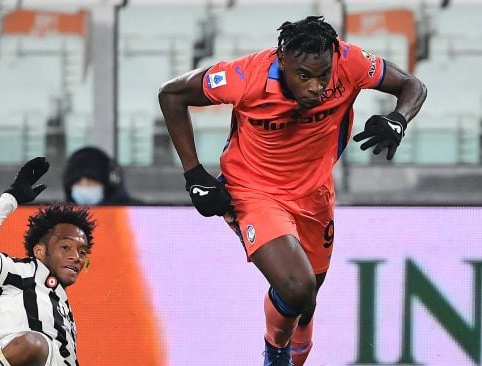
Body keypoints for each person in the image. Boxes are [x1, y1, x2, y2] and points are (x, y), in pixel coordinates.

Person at [158, 16, 427, 365]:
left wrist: (398, 119)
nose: (315, 87)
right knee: (297, 287)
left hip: (315, 194)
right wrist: (194, 174)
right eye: (304, 76)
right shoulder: (246, 76)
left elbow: (412, 85)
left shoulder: (350, 61)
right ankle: (275, 350)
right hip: (253, 192)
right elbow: (172, 94)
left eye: (322, 75)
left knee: (307, 300)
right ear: (281, 60)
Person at [0, 157, 96, 366]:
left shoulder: (62, 307)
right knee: (35, 345)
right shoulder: (21, 272)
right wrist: (10, 199)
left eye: (82, 252)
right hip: (27, 354)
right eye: (66, 247)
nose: (76, 257)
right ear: (39, 251)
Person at [62, 146, 140, 206]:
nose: (84, 187)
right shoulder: (62, 218)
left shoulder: (136, 212)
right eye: (78, 183)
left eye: (90, 182)